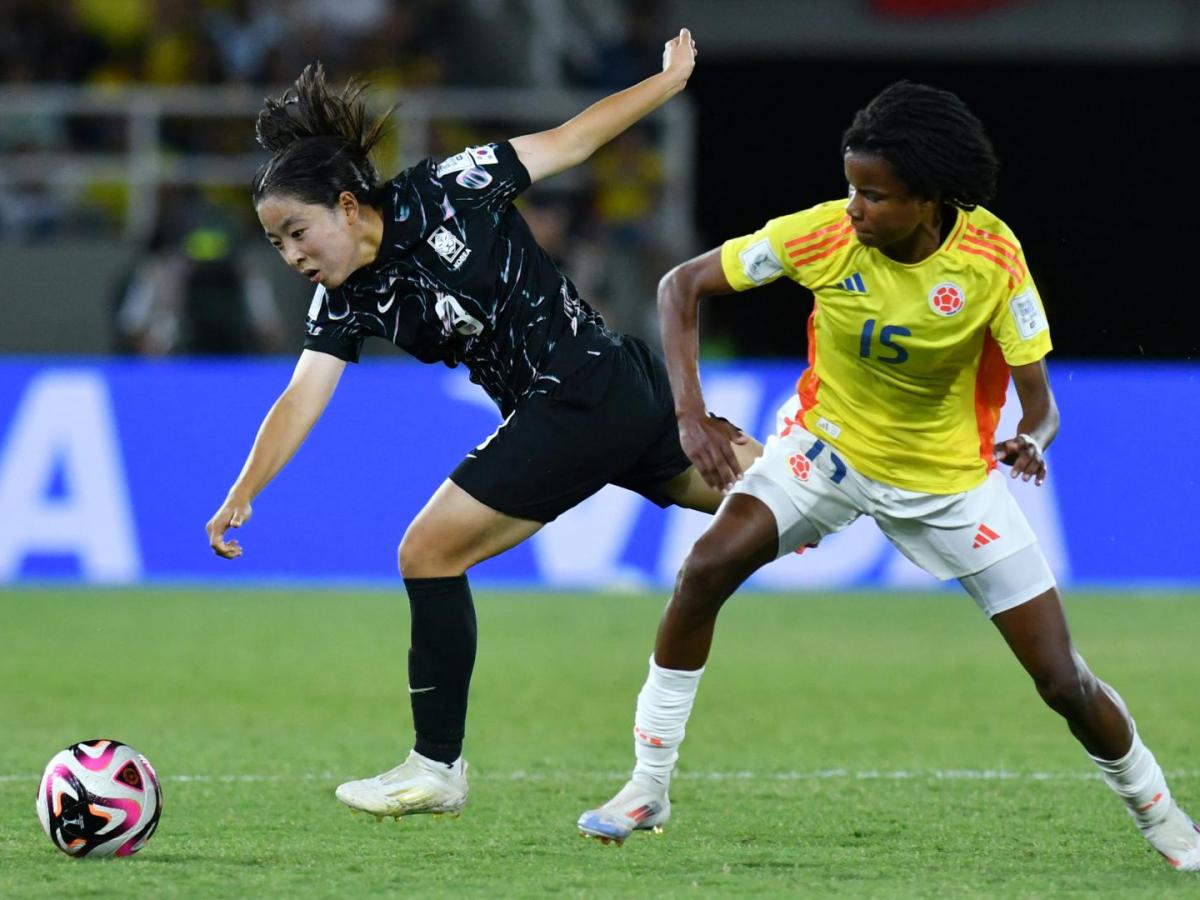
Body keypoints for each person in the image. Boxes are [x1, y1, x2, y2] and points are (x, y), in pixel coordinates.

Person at [578, 81, 1200, 871]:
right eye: (850, 188)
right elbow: (681, 287)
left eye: (874, 195)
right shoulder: (822, 237)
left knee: (1060, 680)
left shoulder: (991, 260)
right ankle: (647, 784)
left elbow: (1040, 405)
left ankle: (1165, 818)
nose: (854, 209)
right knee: (703, 571)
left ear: (929, 199)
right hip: (824, 454)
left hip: (948, 486)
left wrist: (1032, 441)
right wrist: (690, 415)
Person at [205, 29, 763, 821]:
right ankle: (917, 479)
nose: (290, 254)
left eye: (296, 232)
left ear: (350, 205)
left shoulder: (450, 186)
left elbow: (572, 140)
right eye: (274, 242)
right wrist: (243, 491)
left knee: (427, 553)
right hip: (611, 393)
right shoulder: (345, 298)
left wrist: (667, 83)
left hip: (579, 391)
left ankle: (436, 767)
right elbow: (300, 397)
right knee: (792, 499)